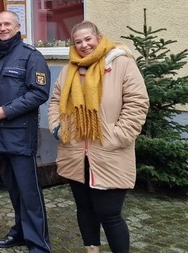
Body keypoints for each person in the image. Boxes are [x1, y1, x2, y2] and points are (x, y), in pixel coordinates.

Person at [47, 21, 149, 253]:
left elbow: (137, 102)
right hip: (75, 152)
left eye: (88, 39)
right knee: (84, 208)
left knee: (110, 214)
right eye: (78, 42)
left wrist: (118, 135)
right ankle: (91, 249)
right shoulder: (69, 69)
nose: (84, 45)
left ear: (99, 37)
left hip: (109, 151)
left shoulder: (121, 63)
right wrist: (57, 128)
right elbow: (55, 101)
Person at [0, 11, 52, 253]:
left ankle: (39, 244)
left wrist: (6, 111)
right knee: (13, 188)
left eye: (7, 23)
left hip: (20, 134)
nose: (2, 27)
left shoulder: (31, 57)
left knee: (29, 191)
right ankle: (21, 231)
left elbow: (39, 93)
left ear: (18, 27)